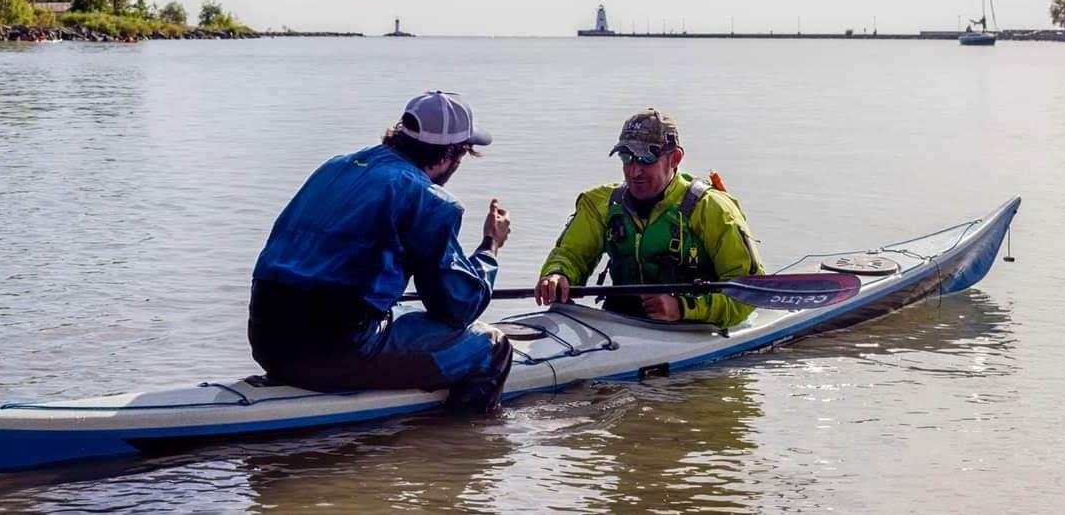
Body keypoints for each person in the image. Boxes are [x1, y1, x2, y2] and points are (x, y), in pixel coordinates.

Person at [249, 91, 514, 413]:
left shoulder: (336, 167)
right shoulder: (430, 200)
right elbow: (457, 307)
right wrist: (491, 246)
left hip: (266, 343)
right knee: (492, 348)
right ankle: (456, 448)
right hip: (334, 352)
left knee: (396, 310)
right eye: (461, 156)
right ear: (449, 154)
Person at [534, 109, 763, 329]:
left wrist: (682, 308)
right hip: (622, 324)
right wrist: (557, 274)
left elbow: (750, 293)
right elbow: (570, 255)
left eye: (645, 159)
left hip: (696, 328)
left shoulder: (713, 210)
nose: (634, 171)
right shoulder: (600, 205)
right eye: (626, 158)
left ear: (675, 158)